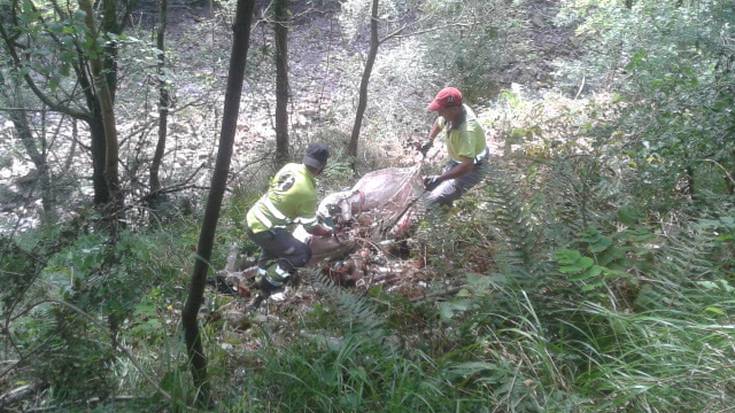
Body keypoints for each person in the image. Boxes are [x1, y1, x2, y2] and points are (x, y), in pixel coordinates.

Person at [245, 143, 333, 295]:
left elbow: (278, 193)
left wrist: (293, 213)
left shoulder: (289, 167)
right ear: (322, 167)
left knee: (272, 247)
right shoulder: (308, 192)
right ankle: (269, 284)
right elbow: (311, 228)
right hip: (265, 229)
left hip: (253, 218)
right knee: (302, 253)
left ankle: (260, 275)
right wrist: (327, 232)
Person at [419, 86, 489, 206]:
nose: (439, 113)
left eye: (442, 110)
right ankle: (445, 204)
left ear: (455, 109)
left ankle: (441, 208)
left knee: (431, 200)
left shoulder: (466, 132)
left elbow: (467, 166)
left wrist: (440, 178)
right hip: (458, 161)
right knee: (430, 186)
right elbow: (439, 122)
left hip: (473, 168)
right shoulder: (452, 114)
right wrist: (430, 140)